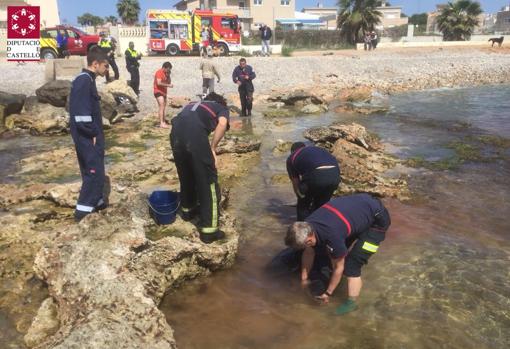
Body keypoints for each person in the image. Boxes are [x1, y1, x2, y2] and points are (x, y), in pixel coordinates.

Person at [285, 193, 391, 315]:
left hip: (377, 222)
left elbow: (339, 267)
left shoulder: (331, 236)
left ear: (309, 239)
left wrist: (328, 293)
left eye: (304, 245)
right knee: (329, 253)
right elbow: (309, 252)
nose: (305, 247)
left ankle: (352, 303)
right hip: (360, 208)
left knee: (351, 265)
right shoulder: (307, 225)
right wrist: (304, 278)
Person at [170, 92, 230, 243]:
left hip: (175, 133)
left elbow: (182, 120)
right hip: (194, 135)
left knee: (186, 174)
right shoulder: (221, 107)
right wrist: (213, 148)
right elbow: (222, 124)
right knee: (208, 181)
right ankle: (209, 231)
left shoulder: (193, 104)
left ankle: (188, 211)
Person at [68, 47, 110, 222]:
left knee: (94, 169)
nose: (107, 69)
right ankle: (82, 213)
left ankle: (97, 201)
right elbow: (81, 114)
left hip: (90, 136)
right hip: (87, 137)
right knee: (94, 172)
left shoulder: (88, 80)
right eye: (105, 66)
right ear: (95, 64)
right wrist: (91, 133)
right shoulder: (83, 81)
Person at [287, 142, 341, 221]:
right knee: (321, 206)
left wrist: (300, 196)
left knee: (303, 206)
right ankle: (318, 228)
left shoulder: (291, 158)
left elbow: (295, 181)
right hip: (335, 175)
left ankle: (303, 229)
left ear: (292, 151)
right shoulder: (316, 149)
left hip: (316, 174)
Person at [153, 61, 173, 128]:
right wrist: (168, 85)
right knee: (161, 106)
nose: (168, 70)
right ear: (164, 67)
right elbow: (159, 83)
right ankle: (161, 123)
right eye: (168, 69)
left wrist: (168, 75)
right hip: (158, 91)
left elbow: (169, 82)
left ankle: (163, 121)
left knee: (163, 107)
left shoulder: (166, 73)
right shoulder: (159, 72)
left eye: (169, 69)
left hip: (164, 92)